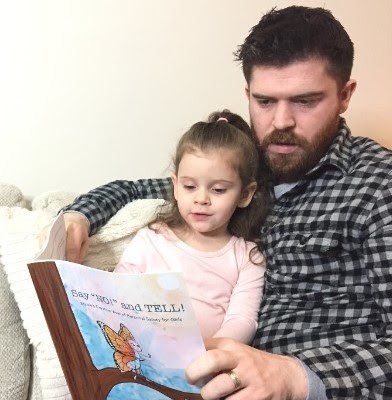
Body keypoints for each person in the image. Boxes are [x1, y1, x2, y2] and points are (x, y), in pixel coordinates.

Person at [61, 6, 392, 400]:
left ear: (345, 96)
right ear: (247, 94)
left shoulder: (379, 185)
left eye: (305, 101)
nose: (281, 122)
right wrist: (79, 216)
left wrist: (296, 377)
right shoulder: (237, 165)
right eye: (265, 102)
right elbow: (139, 189)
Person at [114, 110, 270, 345]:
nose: (201, 199)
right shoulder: (152, 238)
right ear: (176, 186)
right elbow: (117, 294)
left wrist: (205, 354)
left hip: (204, 367)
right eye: (189, 186)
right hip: (140, 353)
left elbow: (242, 320)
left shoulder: (247, 257)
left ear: (245, 194)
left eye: (218, 190)